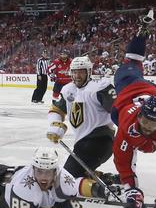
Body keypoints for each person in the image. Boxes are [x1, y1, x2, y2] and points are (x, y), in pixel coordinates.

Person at [45, 55, 118, 185]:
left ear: (89, 72)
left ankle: (96, 190)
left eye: (81, 72)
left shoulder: (100, 88)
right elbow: (57, 110)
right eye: (74, 72)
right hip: (82, 143)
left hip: (100, 140)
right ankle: (104, 178)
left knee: (66, 180)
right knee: (73, 173)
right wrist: (55, 125)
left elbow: (117, 110)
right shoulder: (68, 90)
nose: (77, 76)